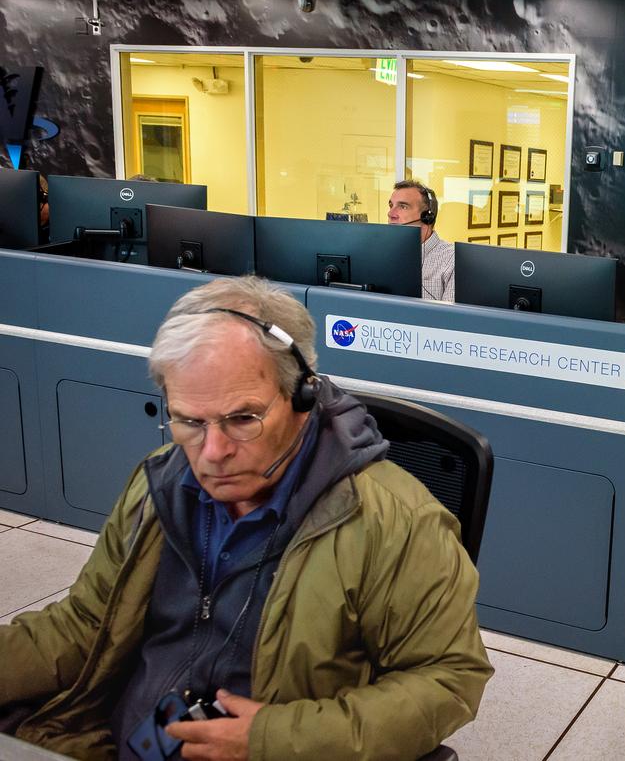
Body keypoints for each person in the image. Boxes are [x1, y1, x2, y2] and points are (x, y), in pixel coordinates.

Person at [0, 276, 492, 760]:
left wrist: (271, 740)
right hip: (106, 739)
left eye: (242, 419)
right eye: (189, 421)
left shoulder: (393, 519)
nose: (212, 453)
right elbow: (84, 625)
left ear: (302, 396)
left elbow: (447, 680)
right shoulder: (159, 485)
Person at [388, 179, 454, 302]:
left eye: (402, 206)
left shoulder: (452, 260)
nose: (391, 213)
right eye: (391, 205)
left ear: (427, 217)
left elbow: (452, 318)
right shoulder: (383, 255)